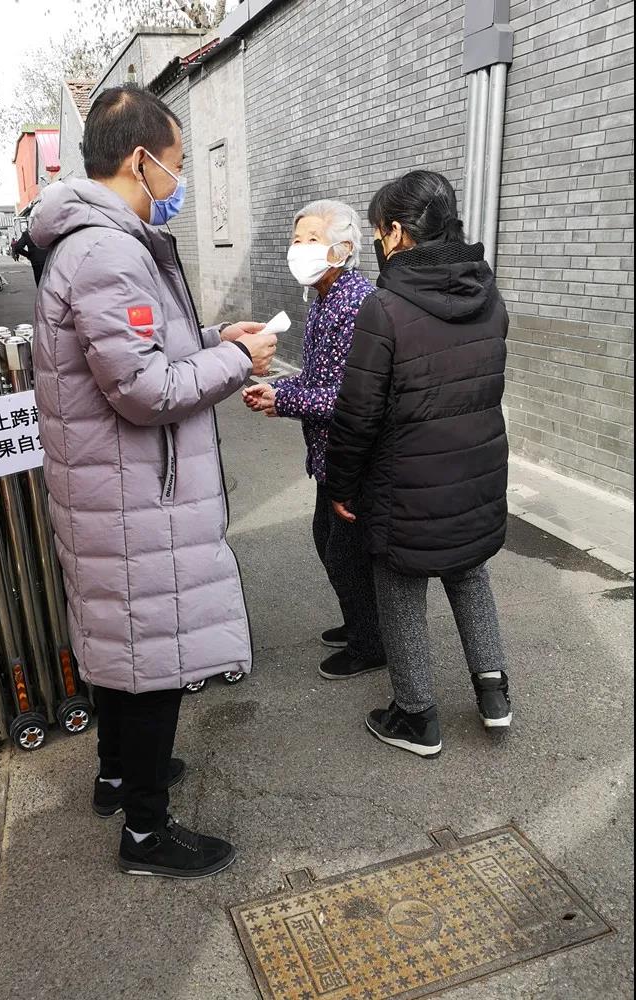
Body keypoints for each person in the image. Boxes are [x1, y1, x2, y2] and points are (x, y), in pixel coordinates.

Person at [30, 84, 277, 878]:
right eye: (177, 162)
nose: (179, 181)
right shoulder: (109, 252)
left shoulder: (96, 244)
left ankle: (118, 776)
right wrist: (236, 359)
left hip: (115, 488)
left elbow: (141, 349)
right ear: (141, 160)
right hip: (134, 494)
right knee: (151, 663)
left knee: (124, 645)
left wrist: (214, 335)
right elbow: (145, 389)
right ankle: (146, 832)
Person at [326, 170, 511, 759]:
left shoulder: (385, 307)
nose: (379, 242)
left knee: (400, 581)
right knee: (469, 570)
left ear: (397, 233)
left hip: (406, 480)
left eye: (379, 231)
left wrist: (340, 484)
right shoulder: (489, 294)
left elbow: (358, 414)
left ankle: (415, 716)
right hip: (476, 472)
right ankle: (494, 695)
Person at [243, 201, 385, 680]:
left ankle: (371, 643)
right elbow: (318, 378)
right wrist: (277, 390)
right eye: (296, 240)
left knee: (344, 552)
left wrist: (283, 400)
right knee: (330, 541)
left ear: (342, 249)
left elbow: (351, 397)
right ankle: (361, 623)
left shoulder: (356, 303)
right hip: (331, 453)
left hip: (354, 455)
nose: (298, 249)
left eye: (310, 240)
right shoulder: (325, 298)